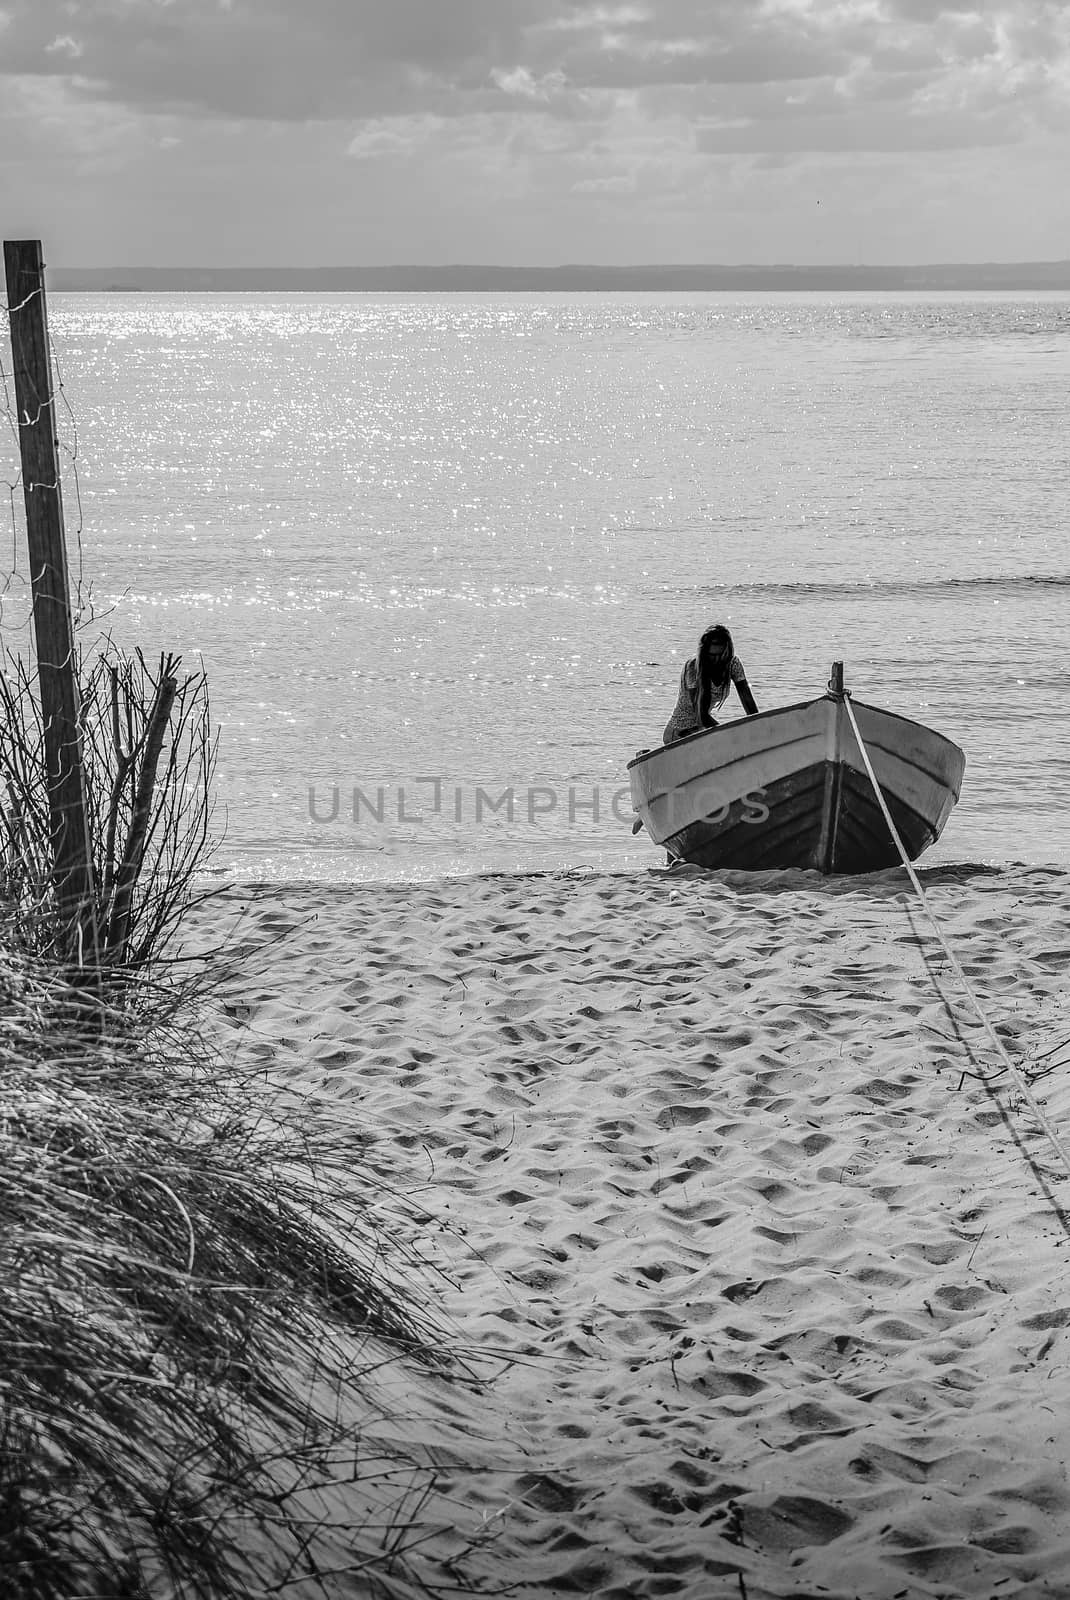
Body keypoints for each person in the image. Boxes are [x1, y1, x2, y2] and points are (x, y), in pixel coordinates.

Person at [662, 624, 759, 745]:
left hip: (701, 731)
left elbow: (747, 700)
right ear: (705, 653)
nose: (717, 660)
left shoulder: (733, 663)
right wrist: (728, 736)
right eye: (712, 656)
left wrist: (758, 726)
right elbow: (701, 715)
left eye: (721, 655)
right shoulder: (693, 667)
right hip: (679, 733)